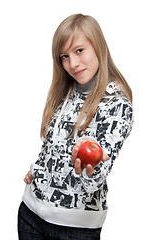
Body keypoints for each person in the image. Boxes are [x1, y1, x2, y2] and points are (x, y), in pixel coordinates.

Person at [18, 13, 133, 240]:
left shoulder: (117, 106)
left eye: (79, 50)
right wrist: (39, 169)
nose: (73, 64)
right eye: (64, 56)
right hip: (30, 214)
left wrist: (89, 172)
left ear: (98, 46)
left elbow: (94, 181)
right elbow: (50, 145)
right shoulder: (65, 92)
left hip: (75, 228)